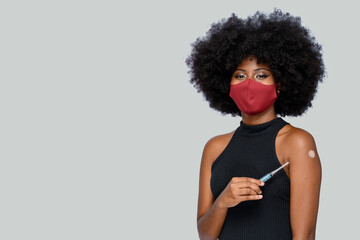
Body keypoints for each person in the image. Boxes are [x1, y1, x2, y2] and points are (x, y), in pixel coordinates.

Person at [185, 9, 325, 240]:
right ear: (226, 84)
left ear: (279, 84)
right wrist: (223, 202)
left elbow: (305, 235)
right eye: (240, 76)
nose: (249, 83)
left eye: (261, 75)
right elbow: (205, 235)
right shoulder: (215, 147)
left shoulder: (297, 142)